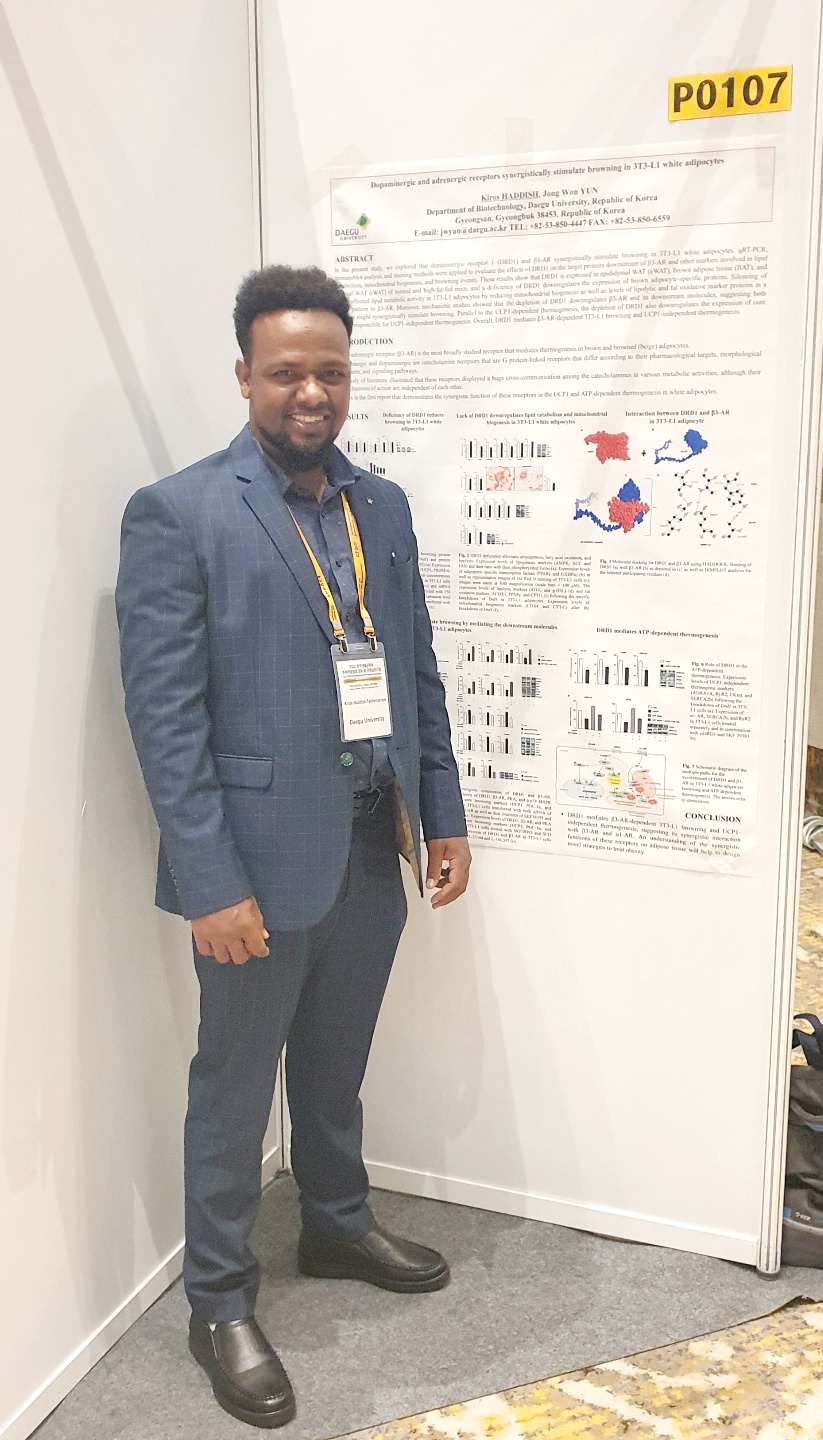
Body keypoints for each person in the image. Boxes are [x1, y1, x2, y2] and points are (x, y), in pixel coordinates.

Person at [115, 264, 471, 1429]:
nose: (310, 392)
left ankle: (334, 1223)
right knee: (231, 1090)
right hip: (254, 869)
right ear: (243, 376)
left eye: (330, 371)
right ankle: (219, 1300)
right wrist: (208, 882)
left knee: (333, 1061)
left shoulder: (382, 509)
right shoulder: (179, 513)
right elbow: (167, 724)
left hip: (370, 843)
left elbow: (414, 670)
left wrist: (443, 810)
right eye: (285, 373)